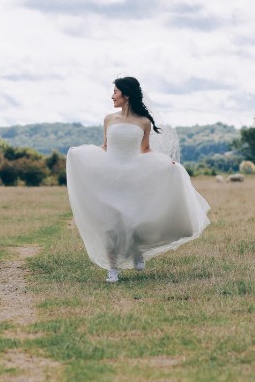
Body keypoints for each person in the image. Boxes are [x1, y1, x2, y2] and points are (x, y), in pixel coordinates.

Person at [66, 76, 211, 283]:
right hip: (111, 174)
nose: (112, 96)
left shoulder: (143, 122)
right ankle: (113, 269)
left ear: (126, 95)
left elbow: (145, 150)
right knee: (110, 225)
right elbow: (105, 147)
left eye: (115, 92)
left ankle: (137, 251)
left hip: (134, 175)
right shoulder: (109, 119)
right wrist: (80, 154)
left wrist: (164, 164)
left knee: (133, 220)